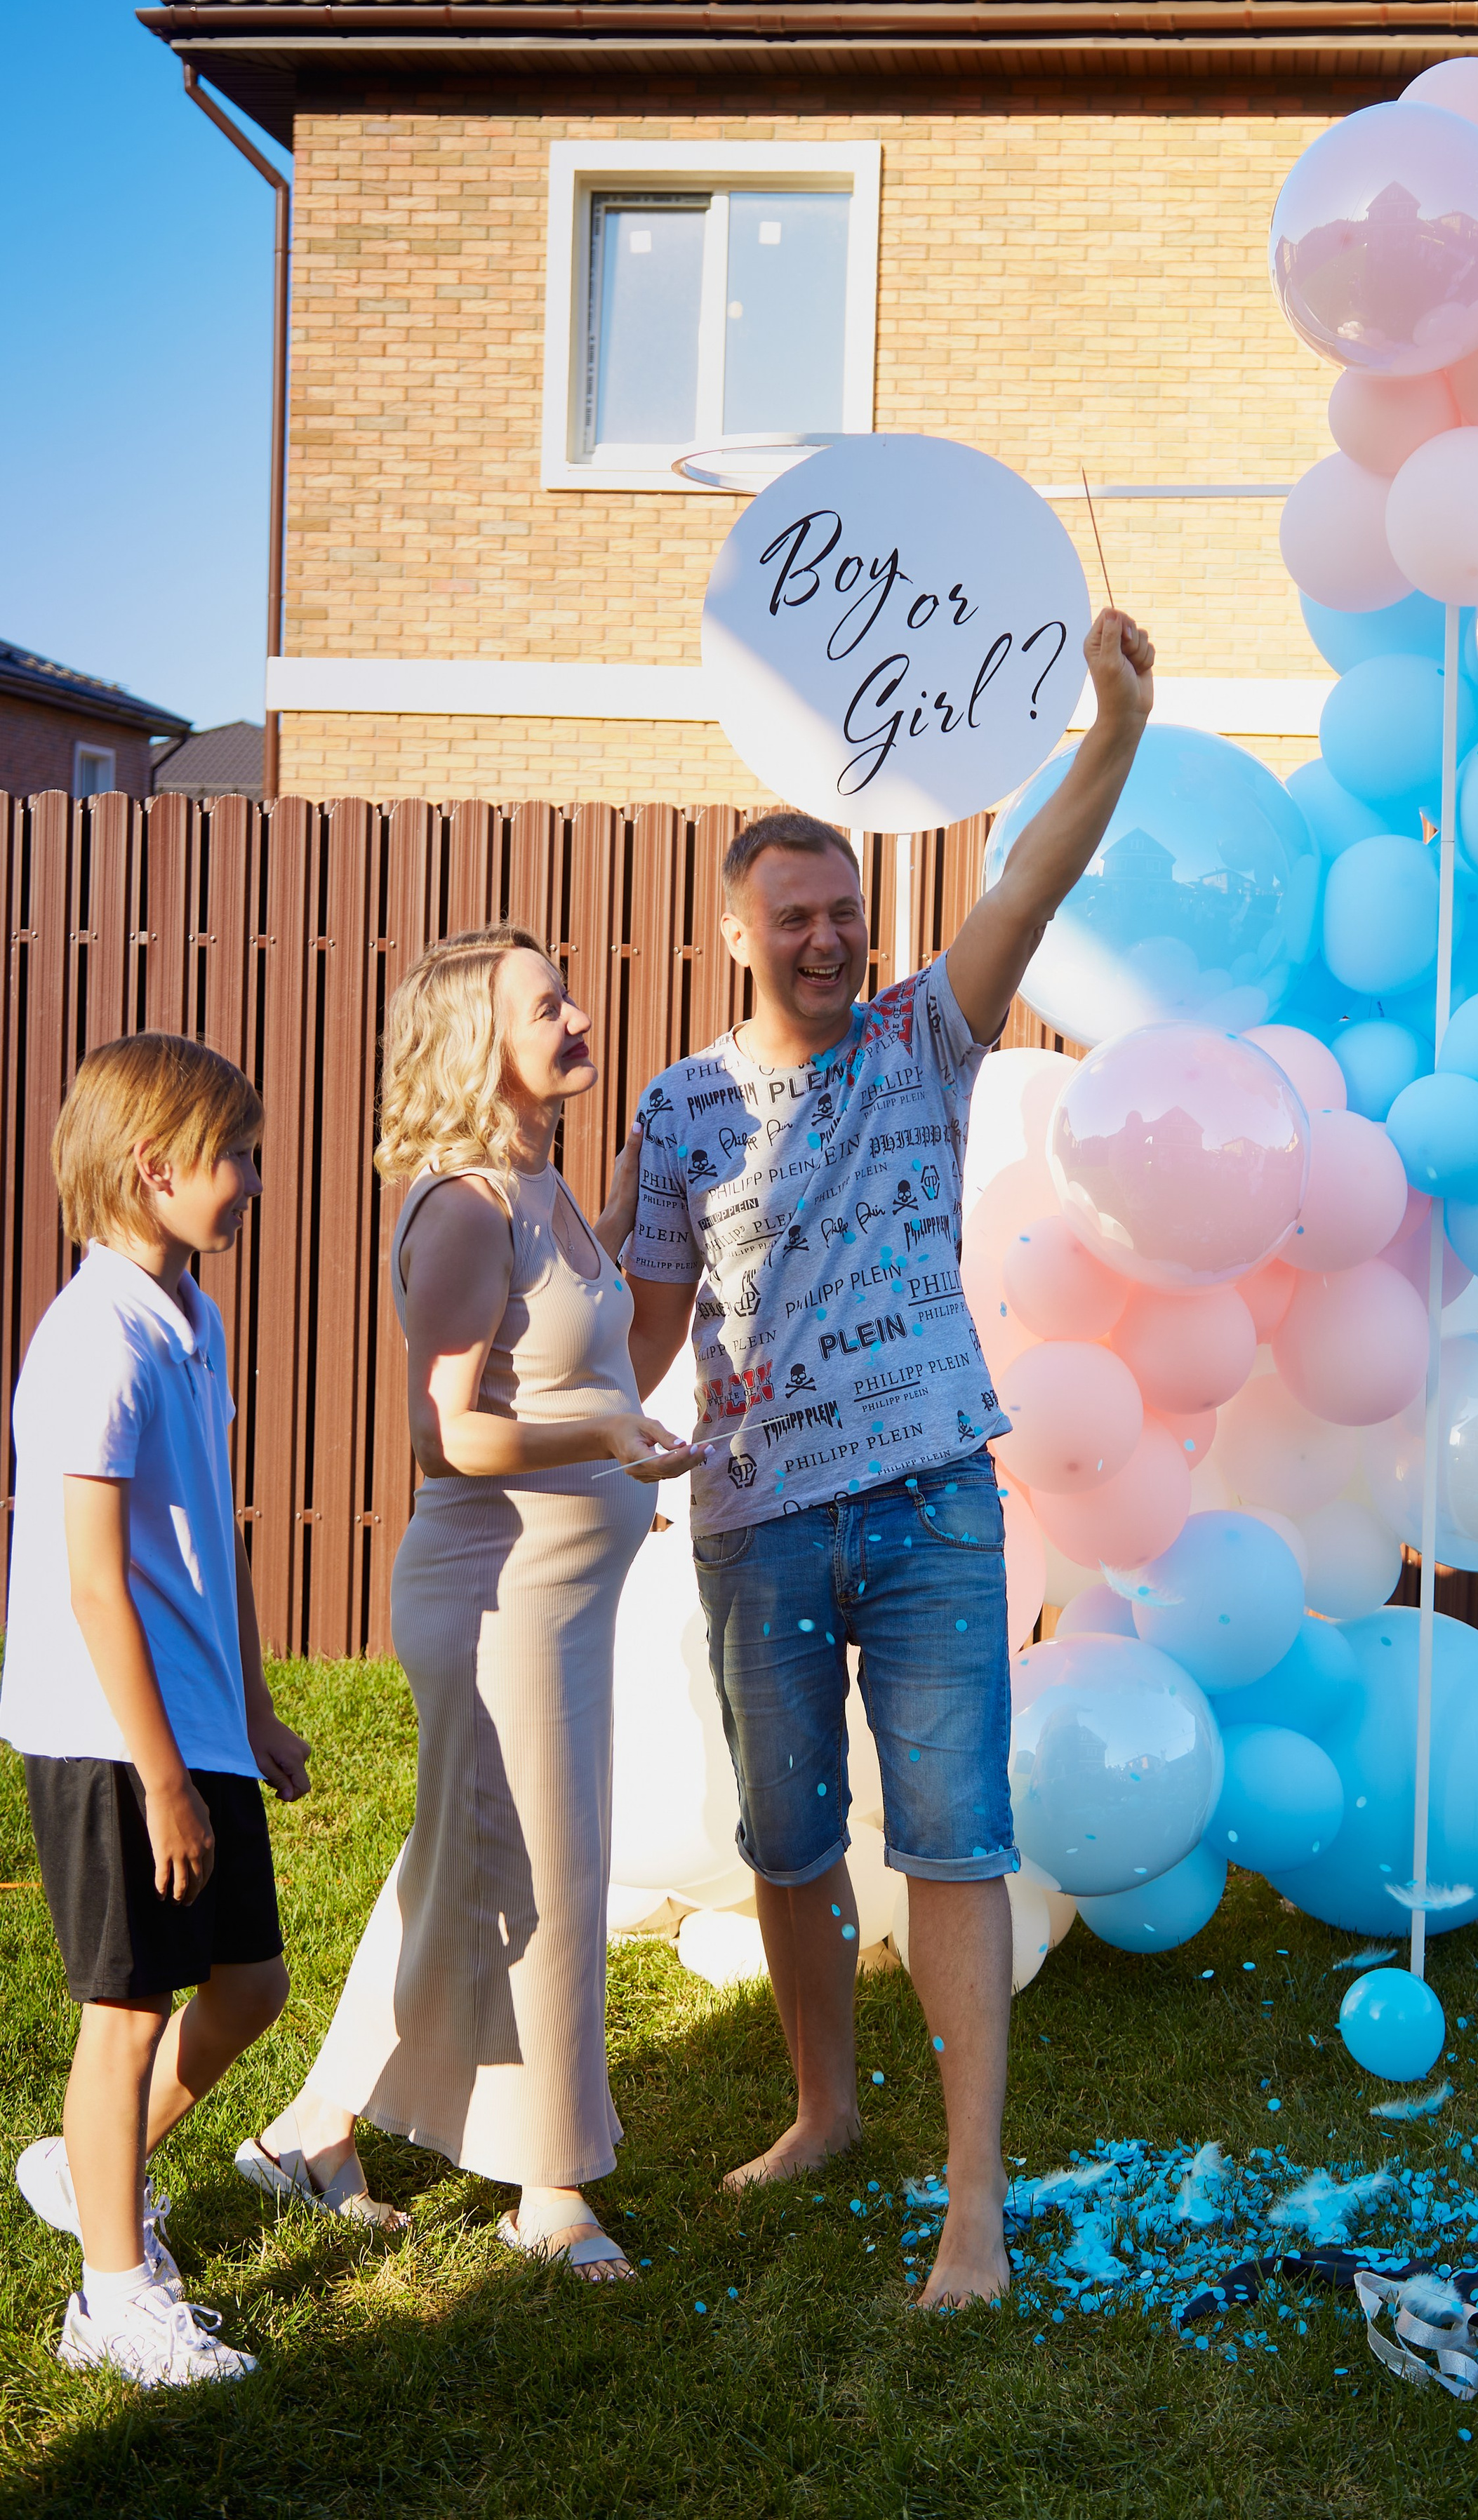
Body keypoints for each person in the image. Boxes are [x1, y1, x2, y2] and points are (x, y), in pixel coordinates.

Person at [627, 605, 1155, 2305]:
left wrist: (1115, 728)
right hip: (754, 1526)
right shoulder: (675, 1110)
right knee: (788, 1839)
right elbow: (642, 1328)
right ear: (735, 936)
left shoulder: (924, 1039)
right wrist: (567, 1412)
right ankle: (823, 2109)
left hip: (931, 1501)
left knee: (951, 1839)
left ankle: (973, 2199)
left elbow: (1032, 886)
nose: (830, 939)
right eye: (796, 918)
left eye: (846, 912)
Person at [240, 926, 706, 2284]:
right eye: (546, 1004)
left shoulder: (542, 1186)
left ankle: (312, 2133)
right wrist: (614, 1439)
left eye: (567, 995)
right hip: (491, 1595)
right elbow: (447, 1438)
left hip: (555, 1594)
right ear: (476, 1042)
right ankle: (551, 2186)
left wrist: (646, 1177)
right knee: (549, 1876)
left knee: (460, 1862)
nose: (578, 1016)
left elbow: (577, 1306)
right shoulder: (462, 1206)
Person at [4, 1034, 311, 2387]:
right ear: (154, 1168)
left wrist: (250, 1710)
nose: (251, 1179)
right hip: (107, 1732)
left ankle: (91, 2171)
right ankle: (113, 2299)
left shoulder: (194, 1316)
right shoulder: (94, 1338)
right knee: (124, 2011)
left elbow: (210, 1541)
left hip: (189, 1720)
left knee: (250, 1984)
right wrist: (165, 1779)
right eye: (233, 1156)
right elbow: (91, 1583)